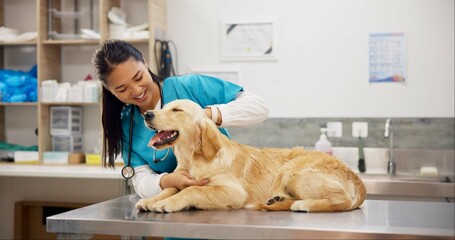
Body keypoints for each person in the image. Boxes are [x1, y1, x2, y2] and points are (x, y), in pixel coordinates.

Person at [92, 39, 269, 199]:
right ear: (110, 90)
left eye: (138, 77)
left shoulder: (188, 87)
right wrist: (168, 181)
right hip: (176, 211)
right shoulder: (126, 125)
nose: (137, 90)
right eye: (122, 89)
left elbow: (259, 107)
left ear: (145, 63)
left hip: (225, 199)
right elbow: (141, 181)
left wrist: (202, 116)